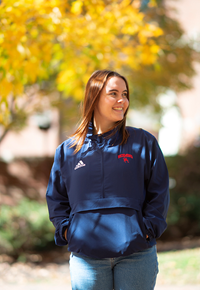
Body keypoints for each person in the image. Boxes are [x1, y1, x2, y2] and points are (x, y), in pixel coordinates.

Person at [46, 70, 170, 290]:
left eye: (125, 93)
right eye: (113, 93)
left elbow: (158, 191)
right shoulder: (68, 151)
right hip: (87, 257)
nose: (122, 100)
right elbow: (57, 198)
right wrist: (68, 230)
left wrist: (149, 228)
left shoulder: (143, 142)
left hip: (137, 253)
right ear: (94, 97)